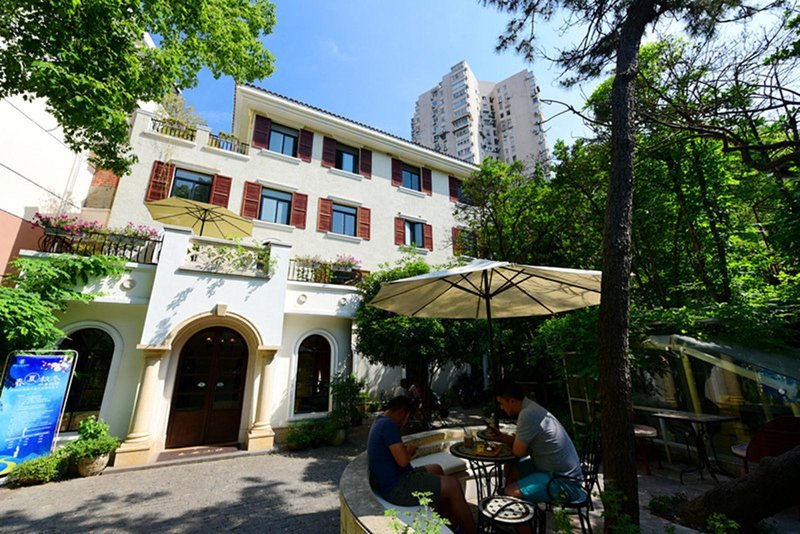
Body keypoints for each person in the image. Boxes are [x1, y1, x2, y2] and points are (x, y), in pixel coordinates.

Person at [368, 396, 476, 534]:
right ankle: (472, 531)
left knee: (437, 468)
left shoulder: (380, 421)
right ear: (401, 412)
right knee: (453, 485)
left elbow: (395, 454)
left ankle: (451, 523)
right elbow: (403, 461)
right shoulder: (389, 425)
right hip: (398, 487)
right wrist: (410, 451)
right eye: (407, 417)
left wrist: (405, 451)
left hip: (396, 479)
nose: (406, 422)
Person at [487, 379, 585, 506]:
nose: (501, 407)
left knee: (510, 492)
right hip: (550, 469)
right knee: (511, 469)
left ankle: (523, 515)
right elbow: (523, 445)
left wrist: (508, 442)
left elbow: (519, 452)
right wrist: (502, 437)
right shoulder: (531, 407)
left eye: (501, 403)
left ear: (512, 400)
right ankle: (528, 510)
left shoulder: (527, 414)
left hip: (564, 481)